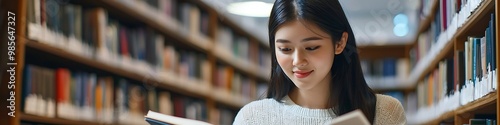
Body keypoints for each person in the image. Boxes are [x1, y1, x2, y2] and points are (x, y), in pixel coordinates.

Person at [233, 0, 406, 125]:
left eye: (312, 47)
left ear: (340, 43)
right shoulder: (252, 118)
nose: (298, 61)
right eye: (285, 49)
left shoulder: (385, 112)